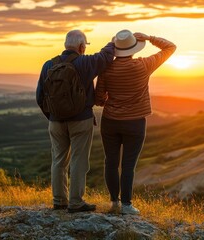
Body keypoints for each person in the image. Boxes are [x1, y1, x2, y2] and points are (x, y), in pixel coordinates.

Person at [95, 29, 176, 215]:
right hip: (135, 123)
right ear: (134, 48)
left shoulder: (106, 69)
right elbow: (170, 47)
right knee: (128, 165)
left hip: (111, 122)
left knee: (110, 162)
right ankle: (126, 205)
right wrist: (150, 38)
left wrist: (110, 98)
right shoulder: (143, 65)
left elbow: (99, 98)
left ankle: (114, 202)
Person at [36, 30, 115, 213]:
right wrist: (112, 42)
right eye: (85, 46)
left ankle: (59, 201)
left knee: (58, 160)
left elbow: (40, 96)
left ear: (65, 45)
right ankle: (76, 202)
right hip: (81, 120)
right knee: (79, 161)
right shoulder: (85, 62)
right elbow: (105, 57)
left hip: (55, 122)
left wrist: (53, 117)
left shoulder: (48, 64)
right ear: (81, 47)